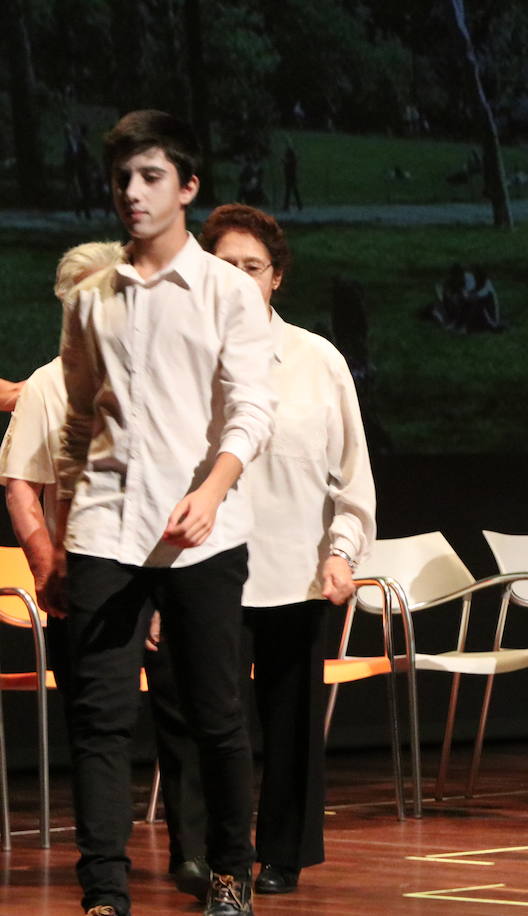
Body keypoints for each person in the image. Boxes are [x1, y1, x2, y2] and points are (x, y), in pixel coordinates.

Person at [47, 110, 275, 916]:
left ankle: (228, 873)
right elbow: (77, 422)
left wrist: (211, 492)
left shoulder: (225, 293)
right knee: (100, 718)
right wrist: (65, 530)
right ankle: (104, 890)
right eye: (121, 180)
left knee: (215, 713)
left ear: (187, 187)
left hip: (201, 533)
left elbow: (250, 410)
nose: (132, 194)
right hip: (105, 528)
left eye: (150, 178)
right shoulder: (90, 301)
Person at [1, 241, 213, 897]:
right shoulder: (46, 383)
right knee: (99, 724)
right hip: (87, 580)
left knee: (186, 713)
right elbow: (21, 485)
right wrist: (48, 567)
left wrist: (160, 591)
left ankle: (195, 853)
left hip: (170, 571)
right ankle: (104, 872)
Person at [201, 203, 376, 895]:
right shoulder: (182, 360)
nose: (239, 279)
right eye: (224, 267)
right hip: (205, 568)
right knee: (211, 723)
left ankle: (282, 852)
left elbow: (351, 470)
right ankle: (213, 854)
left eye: (252, 267)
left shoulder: (316, 360)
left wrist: (343, 550)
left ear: (277, 278)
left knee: (290, 716)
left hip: (294, 567)